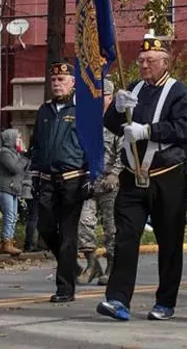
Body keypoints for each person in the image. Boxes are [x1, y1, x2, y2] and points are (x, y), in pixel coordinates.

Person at [97, 35, 187, 322]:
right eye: (141, 60)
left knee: (169, 241)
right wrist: (117, 109)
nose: (143, 65)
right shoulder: (134, 88)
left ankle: (165, 302)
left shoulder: (179, 92)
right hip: (132, 178)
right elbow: (113, 126)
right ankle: (117, 299)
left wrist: (148, 132)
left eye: (150, 60)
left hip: (166, 177)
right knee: (125, 239)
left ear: (165, 62)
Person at [29, 61, 89, 303]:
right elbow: (36, 144)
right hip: (46, 179)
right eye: (53, 80)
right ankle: (71, 266)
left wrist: (90, 176)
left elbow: (92, 147)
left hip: (72, 179)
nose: (56, 84)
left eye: (62, 80)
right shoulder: (44, 110)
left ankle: (65, 288)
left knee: (67, 235)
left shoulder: (82, 109)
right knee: (44, 229)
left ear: (72, 83)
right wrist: (33, 173)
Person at [77, 79, 122, 285]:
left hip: (110, 182)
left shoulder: (117, 122)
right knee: (83, 223)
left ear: (110, 97)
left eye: (102, 95)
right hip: (89, 181)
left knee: (111, 228)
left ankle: (113, 266)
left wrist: (115, 174)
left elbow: (124, 151)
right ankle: (91, 263)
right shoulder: (87, 121)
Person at [0, 128, 27, 256]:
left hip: (13, 188)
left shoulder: (16, 153)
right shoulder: (5, 152)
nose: (20, 140)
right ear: (11, 139)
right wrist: (24, 157)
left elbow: (24, 168)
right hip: (5, 188)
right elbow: (14, 168)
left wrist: (23, 155)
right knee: (9, 215)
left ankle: (10, 241)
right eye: (18, 138)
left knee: (13, 216)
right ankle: (6, 242)